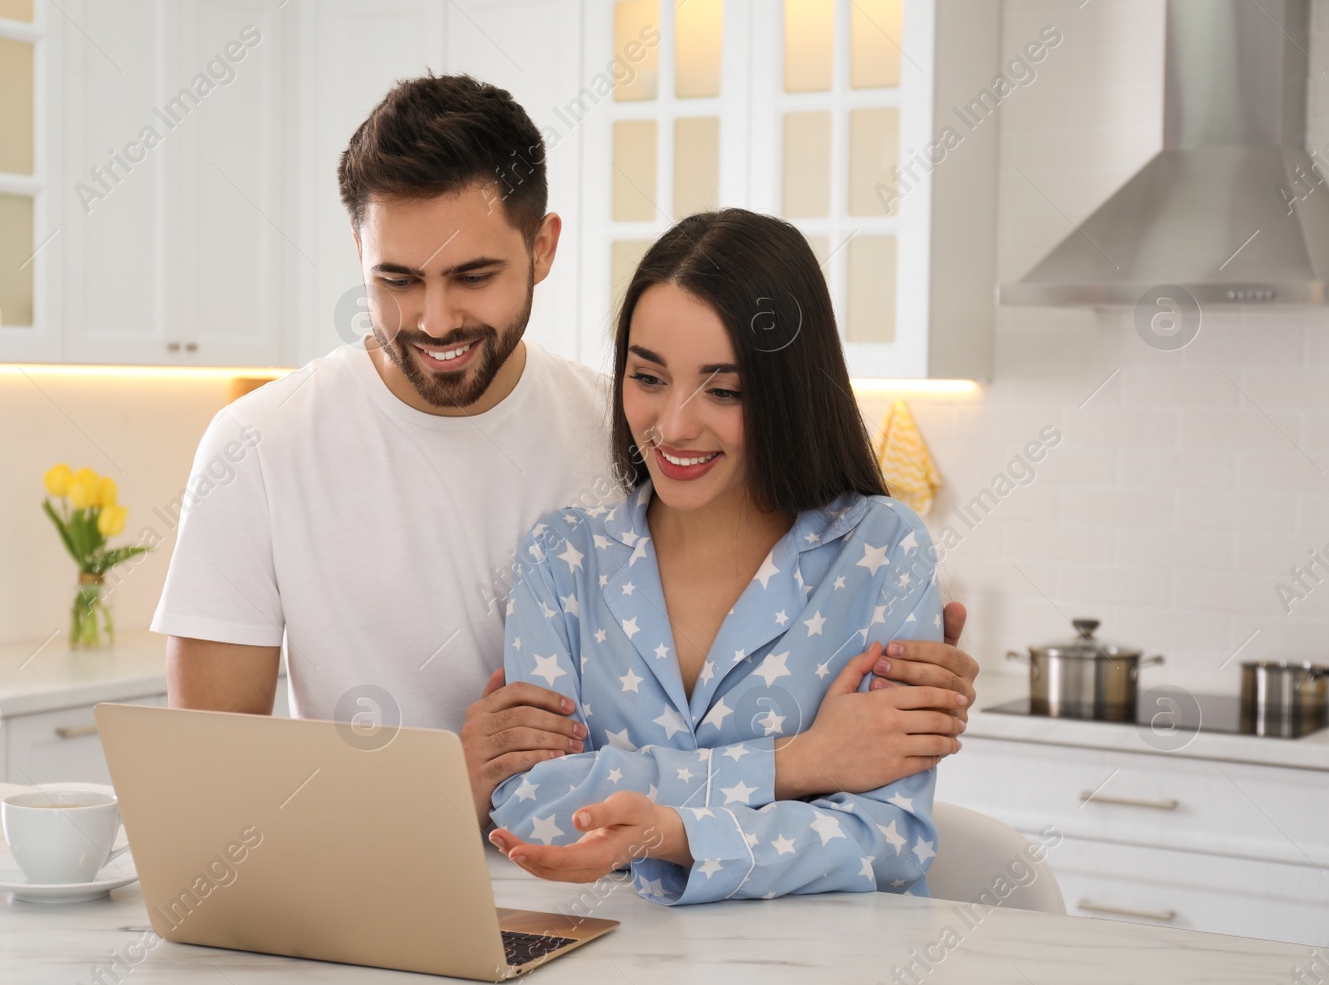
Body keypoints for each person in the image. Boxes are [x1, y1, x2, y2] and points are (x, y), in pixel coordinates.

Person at [151, 74, 979, 825]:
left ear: (543, 247)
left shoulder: (625, 428)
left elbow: (786, 602)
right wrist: (447, 782)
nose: (434, 320)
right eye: (397, 280)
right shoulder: (260, 447)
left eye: (472, 276)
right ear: (359, 257)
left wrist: (893, 646)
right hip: (373, 889)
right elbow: (207, 797)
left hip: (608, 904)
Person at [487, 209, 948, 905]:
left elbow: (887, 836)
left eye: (724, 390)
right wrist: (793, 765)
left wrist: (674, 831)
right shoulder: (563, 558)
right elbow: (532, 805)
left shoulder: (883, 552)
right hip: (614, 978)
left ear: (789, 388)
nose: (673, 425)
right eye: (648, 378)